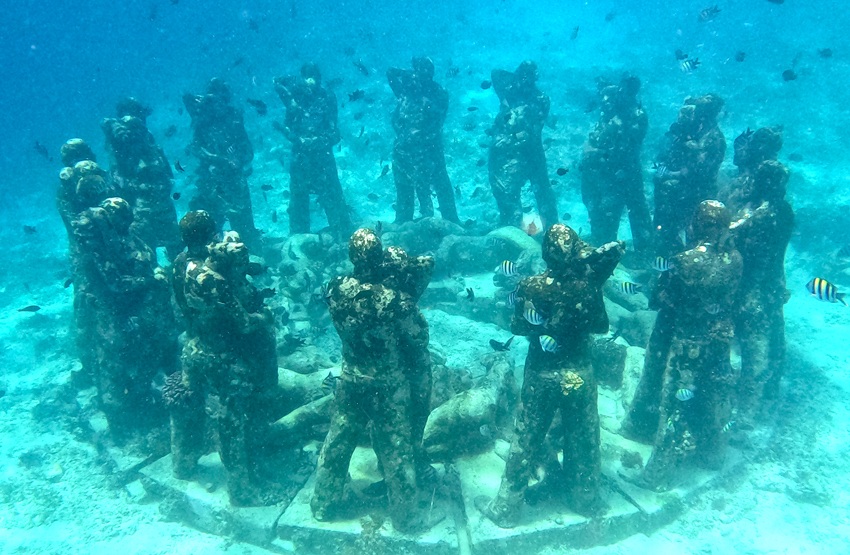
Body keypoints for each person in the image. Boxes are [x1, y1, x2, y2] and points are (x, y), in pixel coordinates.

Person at [477, 224, 624, 527]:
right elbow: (601, 326)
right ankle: (585, 497)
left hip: (542, 374)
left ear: (545, 252)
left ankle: (506, 507)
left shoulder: (530, 286)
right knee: (584, 435)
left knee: (526, 437)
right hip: (579, 374)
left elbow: (518, 327)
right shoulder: (587, 286)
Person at [311, 229, 441, 533]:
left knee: (338, 440)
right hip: (388, 386)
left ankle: (323, 503)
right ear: (380, 256)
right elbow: (418, 338)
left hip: (350, 377)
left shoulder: (335, 287)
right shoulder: (394, 300)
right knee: (397, 450)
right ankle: (407, 518)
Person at [166, 231, 279, 506]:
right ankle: (241, 491)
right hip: (222, 358)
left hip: (194, 346)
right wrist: (265, 316)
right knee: (232, 421)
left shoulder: (185, 264)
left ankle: (183, 463)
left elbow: (179, 307)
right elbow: (244, 323)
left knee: (187, 402)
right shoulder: (218, 284)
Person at [636, 201, 742, 490]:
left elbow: (659, 298)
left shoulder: (685, 261)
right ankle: (712, 454)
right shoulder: (735, 259)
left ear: (695, 225)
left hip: (686, 342)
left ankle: (658, 474)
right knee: (712, 394)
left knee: (674, 406)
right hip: (718, 338)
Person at [72, 197, 178, 437]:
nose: (129, 221)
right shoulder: (100, 249)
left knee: (144, 358)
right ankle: (130, 421)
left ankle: (142, 404)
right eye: (125, 218)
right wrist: (151, 280)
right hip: (122, 316)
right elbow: (116, 284)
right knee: (126, 365)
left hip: (139, 311)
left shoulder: (120, 238)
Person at [730, 160, 793, 425]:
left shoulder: (763, 214)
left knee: (753, 343)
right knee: (773, 337)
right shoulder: (784, 211)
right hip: (772, 283)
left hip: (752, 286)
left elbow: (737, 234)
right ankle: (768, 393)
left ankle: (747, 410)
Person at [274, 63, 352, 240]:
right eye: (307, 76)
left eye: (314, 76)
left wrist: (318, 142)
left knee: (333, 197)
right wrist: (298, 139)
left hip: (323, 157)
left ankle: (343, 237)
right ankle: (299, 240)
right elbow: (288, 125)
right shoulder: (295, 98)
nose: (311, 81)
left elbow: (334, 132)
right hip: (300, 157)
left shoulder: (327, 97)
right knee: (298, 200)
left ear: (320, 78)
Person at [183, 78, 261, 250]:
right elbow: (196, 147)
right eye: (212, 97)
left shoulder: (233, 117)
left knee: (244, 227)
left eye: (220, 97)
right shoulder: (201, 116)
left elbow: (247, 150)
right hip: (210, 182)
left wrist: (236, 162)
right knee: (208, 230)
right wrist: (219, 160)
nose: (216, 103)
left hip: (234, 179)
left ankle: (250, 256)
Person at [102, 98, 182, 259]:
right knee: (145, 253)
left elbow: (162, 166)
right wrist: (116, 126)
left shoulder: (146, 136)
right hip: (141, 209)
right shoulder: (119, 140)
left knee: (174, 248)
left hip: (162, 203)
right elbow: (105, 124)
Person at [580, 74, 652, 254]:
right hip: (609, 170)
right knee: (610, 210)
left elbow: (619, 146)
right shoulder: (613, 109)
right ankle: (605, 248)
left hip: (625, 170)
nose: (620, 94)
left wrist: (595, 150)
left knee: (629, 208)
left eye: (624, 91)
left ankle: (641, 252)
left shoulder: (636, 115)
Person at [387, 57, 460, 224]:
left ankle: (450, 219)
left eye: (427, 71)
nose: (423, 75)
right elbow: (390, 72)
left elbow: (438, 119)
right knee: (403, 182)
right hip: (404, 146)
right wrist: (408, 73)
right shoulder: (407, 90)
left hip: (430, 146)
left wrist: (421, 135)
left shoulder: (439, 92)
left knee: (440, 180)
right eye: (420, 70)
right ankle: (403, 220)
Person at [488, 61, 558, 230]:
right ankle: (512, 232)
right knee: (508, 192)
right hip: (509, 153)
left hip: (532, 151)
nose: (524, 82)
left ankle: (553, 232)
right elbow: (496, 72)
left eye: (528, 78)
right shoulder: (509, 90)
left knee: (543, 192)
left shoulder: (540, 99)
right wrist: (507, 95)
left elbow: (533, 129)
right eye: (522, 77)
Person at [653, 95, 726, 256]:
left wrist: (671, 174)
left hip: (699, 191)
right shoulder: (698, 132)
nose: (694, 114)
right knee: (673, 226)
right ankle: (669, 255)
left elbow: (697, 169)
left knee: (692, 230)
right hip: (688, 189)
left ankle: (684, 258)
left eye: (698, 111)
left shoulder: (713, 138)